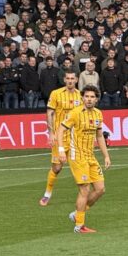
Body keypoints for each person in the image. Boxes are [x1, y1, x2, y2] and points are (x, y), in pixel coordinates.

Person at [57, 85, 111, 233]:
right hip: (77, 155)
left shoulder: (98, 114)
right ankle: (79, 226)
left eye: (92, 97)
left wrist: (106, 155)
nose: (89, 99)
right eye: (86, 96)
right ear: (82, 98)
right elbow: (60, 130)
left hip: (90, 156)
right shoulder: (75, 113)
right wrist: (61, 150)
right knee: (85, 190)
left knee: (100, 189)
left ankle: (77, 214)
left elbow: (99, 136)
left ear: (96, 99)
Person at [39, 71, 82, 206]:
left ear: (76, 80)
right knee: (57, 168)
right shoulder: (56, 93)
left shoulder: (80, 95)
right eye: (68, 78)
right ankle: (47, 194)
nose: (70, 81)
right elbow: (50, 113)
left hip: (75, 137)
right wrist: (51, 133)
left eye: (72, 78)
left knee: (80, 166)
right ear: (64, 80)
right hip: (60, 136)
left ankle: (84, 193)